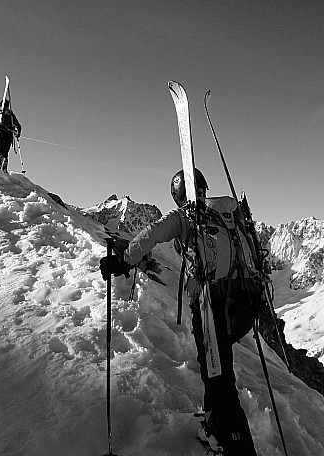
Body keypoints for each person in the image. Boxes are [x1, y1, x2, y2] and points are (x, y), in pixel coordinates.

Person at [101, 169, 266, 456]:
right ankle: (214, 427)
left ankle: (237, 446)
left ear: (178, 196)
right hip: (244, 304)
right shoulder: (229, 212)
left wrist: (124, 261)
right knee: (214, 369)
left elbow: (152, 234)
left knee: (219, 379)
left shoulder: (186, 216)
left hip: (213, 307)